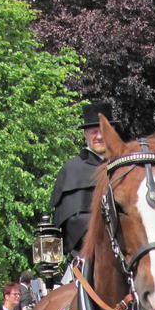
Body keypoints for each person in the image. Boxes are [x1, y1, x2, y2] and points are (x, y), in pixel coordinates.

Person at [51, 101, 112, 256]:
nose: (99, 136)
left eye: (103, 130)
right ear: (86, 135)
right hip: (89, 254)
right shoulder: (72, 169)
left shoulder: (126, 166)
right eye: (93, 131)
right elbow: (72, 222)